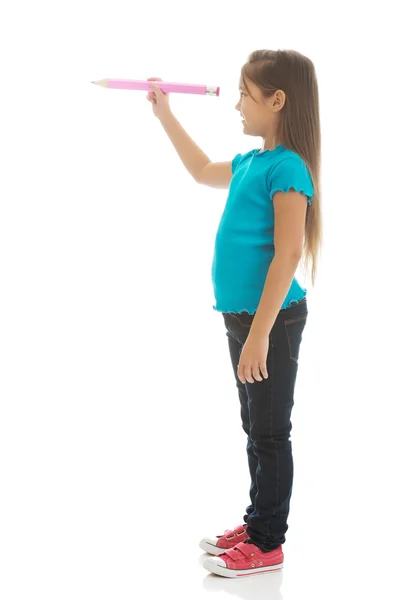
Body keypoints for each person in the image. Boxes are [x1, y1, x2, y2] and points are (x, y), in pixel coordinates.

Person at [146, 48, 322, 578]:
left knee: (270, 431)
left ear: (277, 99)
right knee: (255, 426)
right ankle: (258, 519)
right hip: (245, 321)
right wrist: (165, 114)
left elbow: (288, 253)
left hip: (272, 323)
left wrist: (261, 334)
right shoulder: (251, 163)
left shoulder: (288, 168)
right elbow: (201, 170)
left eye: (245, 94)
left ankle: (269, 542)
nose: (238, 105)